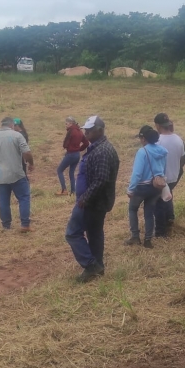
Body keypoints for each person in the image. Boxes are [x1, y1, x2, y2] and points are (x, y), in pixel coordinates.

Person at [65, 115, 120, 282]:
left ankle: (91, 265)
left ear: (100, 131)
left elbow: (101, 179)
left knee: (73, 233)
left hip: (91, 202)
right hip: (94, 201)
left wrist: (85, 198)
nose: (86, 132)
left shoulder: (102, 151)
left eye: (90, 130)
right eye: (85, 129)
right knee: (95, 233)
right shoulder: (97, 147)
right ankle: (98, 266)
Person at [0, 117, 34, 232]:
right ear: (11, 125)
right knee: (24, 197)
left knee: (3, 200)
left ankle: (6, 225)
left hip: (0, 175)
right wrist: (31, 163)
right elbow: (27, 152)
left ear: (1, 125)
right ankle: (25, 224)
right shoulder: (17, 135)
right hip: (16, 173)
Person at [125, 125, 168, 249]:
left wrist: (131, 189)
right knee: (149, 212)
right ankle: (148, 239)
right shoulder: (163, 151)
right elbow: (163, 170)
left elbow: (137, 174)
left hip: (142, 188)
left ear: (144, 139)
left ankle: (135, 237)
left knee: (133, 209)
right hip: (156, 187)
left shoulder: (142, 152)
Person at [153, 113, 185, 235]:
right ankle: (170, 218)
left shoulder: (157, 141)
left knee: (159, 202)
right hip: (174, 176)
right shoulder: (179, 139)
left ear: (157, 125)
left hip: (161, 178)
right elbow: (183, 158)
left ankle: (161, 231)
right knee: (168, 195)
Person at [56, 117, 89, 196]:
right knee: (71, 172)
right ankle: (73, 191)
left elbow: (66, 143)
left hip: (71, 154)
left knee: (59, 170)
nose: (65, 125)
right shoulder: (79, 131)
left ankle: (64, 190)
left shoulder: (71, 131)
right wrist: (79, 149)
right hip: (77, 155)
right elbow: (86, 143)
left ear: (71, 124)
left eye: (66, 123)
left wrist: (69, 148)